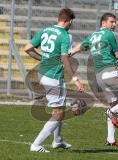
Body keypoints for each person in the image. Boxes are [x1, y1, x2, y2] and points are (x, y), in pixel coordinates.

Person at [24, 8, 84, 152]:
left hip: (43, 73)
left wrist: (43, 58)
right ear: (69, 21)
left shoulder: (45, 30)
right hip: (53, 76)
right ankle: (36, 145)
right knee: (58, 112)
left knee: (59, 109)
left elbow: (28, 48)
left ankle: (57, 140)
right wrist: (75, 79)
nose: (71, 25)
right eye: (71, 23)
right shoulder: (65, 35)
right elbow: (64, 58)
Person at [71, 12, 118, 147]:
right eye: (111, 22)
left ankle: (110, 139)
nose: (114, 24)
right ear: (103, 23)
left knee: (114, 104)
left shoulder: (92, 36)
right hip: (110, 72)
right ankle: (111, 113)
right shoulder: (109, 34)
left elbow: (80, 47)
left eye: (115, 22)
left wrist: (68, 54)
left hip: (99, 77)